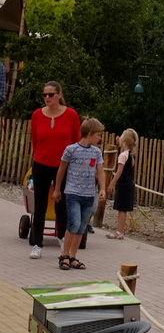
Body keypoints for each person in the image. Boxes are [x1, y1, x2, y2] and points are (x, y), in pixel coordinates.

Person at [28, 80, 80, 259]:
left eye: (50, 94)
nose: (47, 98)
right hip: (41, 162)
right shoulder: (36, 115)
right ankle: (37, 244)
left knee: (62, 203)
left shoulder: (71, 115)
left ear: (59, 95)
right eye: (44, 95)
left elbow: (76, 141)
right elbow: (35, 140)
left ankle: (61, 238)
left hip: (64, 165)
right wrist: (38, 157)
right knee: (40, 204)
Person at [53, 117, 106, 270]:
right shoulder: (71, 149)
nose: (99, 138)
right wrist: (57, 189)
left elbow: (100, 172)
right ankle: (64, 254)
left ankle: (73, 256)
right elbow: (61, 170)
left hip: (89, 195)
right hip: (73, 193)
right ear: (89, 133)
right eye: (98, 135)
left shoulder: (96, 152)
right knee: (73, 224)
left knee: (82, 227)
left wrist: (102, 188)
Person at [106, 128, 138, 239]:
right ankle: (120, 231)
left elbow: (119, 171)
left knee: (121, 209)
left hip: (123, 184)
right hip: (129, 184)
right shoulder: (130, 154)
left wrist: (111, 183)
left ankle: (119, 232)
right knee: (123, 209)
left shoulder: (123, 155)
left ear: (124, 140)